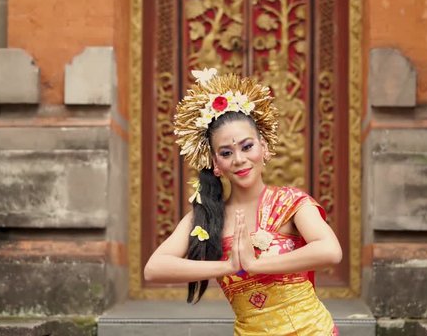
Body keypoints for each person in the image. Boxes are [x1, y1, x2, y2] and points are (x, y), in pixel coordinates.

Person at [144, 68, 343, 335]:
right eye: (227, 152)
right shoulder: (206, 218)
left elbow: (330, 251)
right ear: (216, 164)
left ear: (265, 148)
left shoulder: (291, 202)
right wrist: (228, 266)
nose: (239, 159)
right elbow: (154, 268)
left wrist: (255, 265)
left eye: (247, 147)